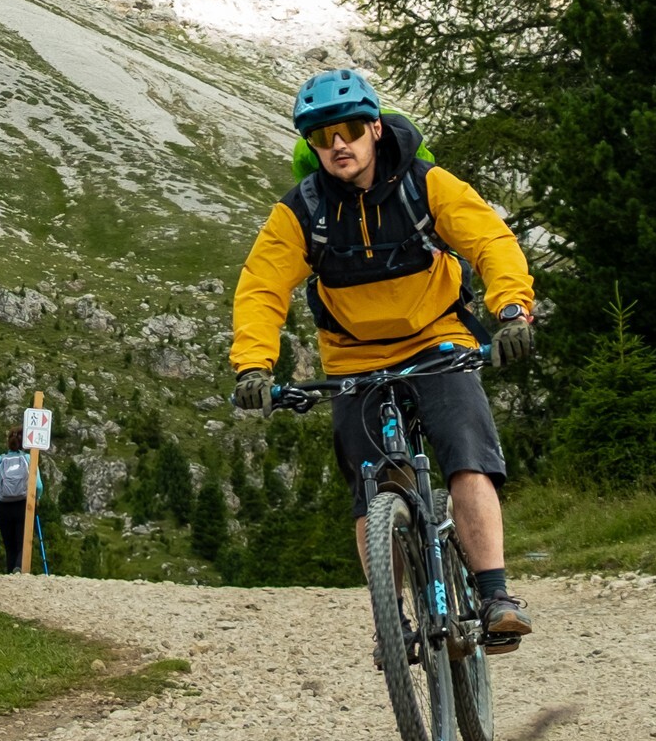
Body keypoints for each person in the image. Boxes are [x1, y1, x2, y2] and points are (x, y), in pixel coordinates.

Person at [228, 68, 539, 648]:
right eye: (321, 137)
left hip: (438, 341)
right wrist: (253, 365)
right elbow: (261, 287)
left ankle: (495, 595)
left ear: (374, 127)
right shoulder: (302, 210)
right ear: (311, 146)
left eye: (347, 129)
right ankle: (390, 621)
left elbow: (489, 242)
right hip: (353, 360)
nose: (337, 144)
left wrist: (512, 311)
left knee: (466, 458)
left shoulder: (427, 184)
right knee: (374, 487)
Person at [0, 429, 43, 571]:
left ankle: (10, 573)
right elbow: (39, 485)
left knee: (9, 546)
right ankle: (18, 568)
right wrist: (37, 499)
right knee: (22, 543)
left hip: (3, 507)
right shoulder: (28, 459)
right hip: (24, 506)